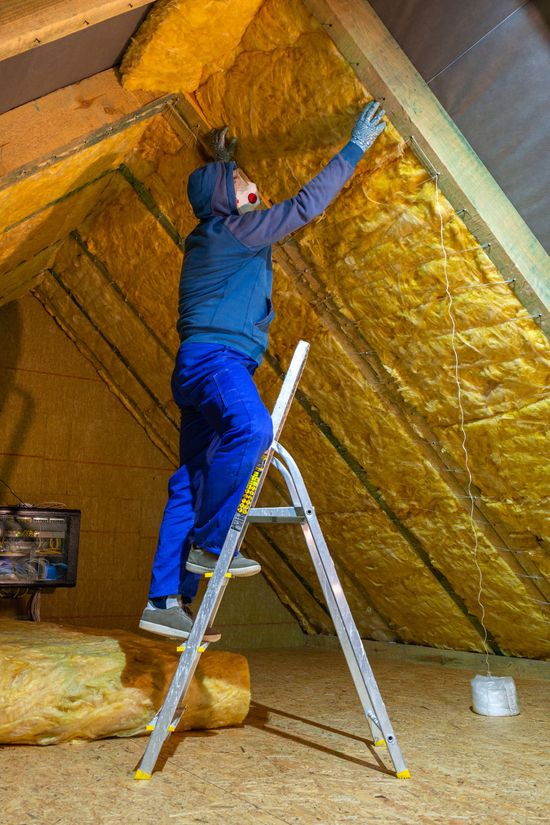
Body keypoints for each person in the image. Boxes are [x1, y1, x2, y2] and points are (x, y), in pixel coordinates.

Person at [139, 102, 386, 641]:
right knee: (252, 429)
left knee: (189, 481)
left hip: (194, 367)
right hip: (217, 361)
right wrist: (354, 149)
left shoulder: (214, 235)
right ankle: (212, 543)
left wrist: (228, 162)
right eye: (246, 183)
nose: (257, 189)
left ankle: (164, 599)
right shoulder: (236, 232)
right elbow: (302, 207)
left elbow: (235, 193)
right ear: (230, 197)